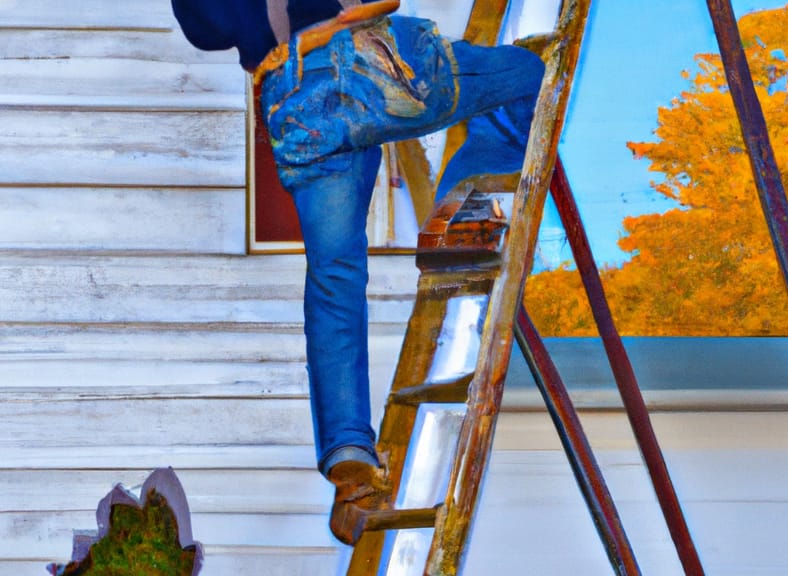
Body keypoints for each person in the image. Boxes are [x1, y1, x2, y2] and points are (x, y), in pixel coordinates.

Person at [170, 0, 544, 544]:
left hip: (294, 101)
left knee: (333, 276)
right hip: (363, 63)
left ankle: (350, 464)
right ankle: (459, 209)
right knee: (530, 76)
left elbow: (205, 32)